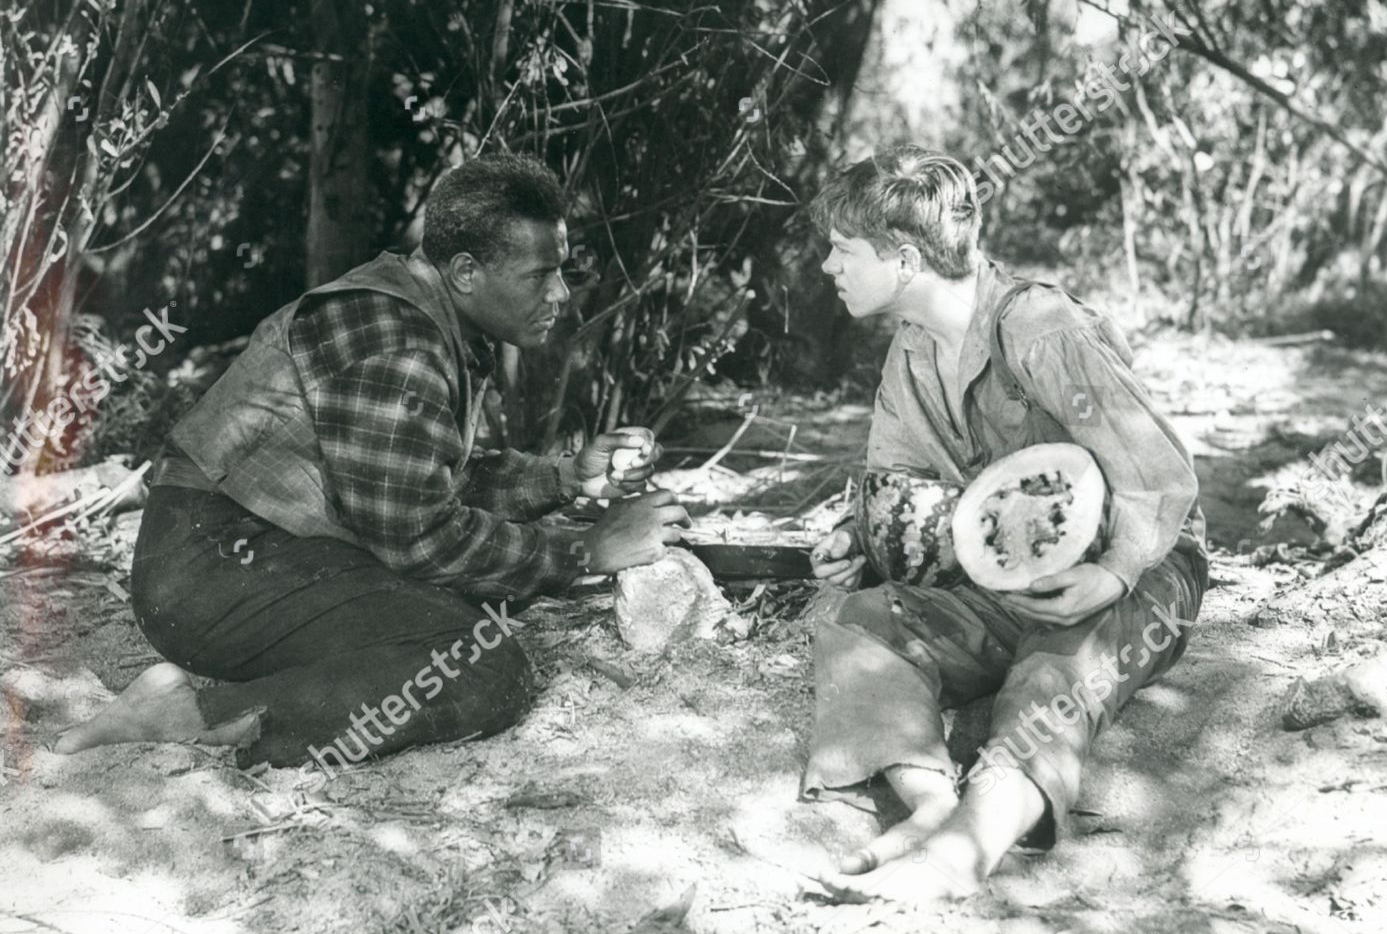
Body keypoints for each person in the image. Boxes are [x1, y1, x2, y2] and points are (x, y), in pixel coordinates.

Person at [56, 152, 687, 777]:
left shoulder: (418, 309)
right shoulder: (399, 342)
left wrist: (566, 478)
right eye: (539, 274)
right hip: (206, 568)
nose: (561, 293)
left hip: (254, 550)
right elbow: (421, 536)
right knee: (483, 667)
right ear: (466, 271)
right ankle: (187, 713)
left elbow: (420, 484)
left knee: (467, 619)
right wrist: (584, 553)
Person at [803, 145, 1209, 903]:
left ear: (902, 259)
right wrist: (857, 543)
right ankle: (931, 805)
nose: (829, 263)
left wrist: (1114, 573)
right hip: (1008, 572)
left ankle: (964, 852)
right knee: (861, 621)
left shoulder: (1040, 327)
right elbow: (907, 492)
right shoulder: (913, 351)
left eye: (843, 249)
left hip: (1145, 567)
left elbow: (1160, 476)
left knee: (1054, 671)